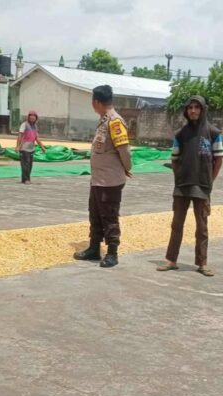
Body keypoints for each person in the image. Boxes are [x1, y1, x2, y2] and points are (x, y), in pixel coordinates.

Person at [157, 96, 223, 276]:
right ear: (186, 111)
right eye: (190, 107)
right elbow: (174, 158)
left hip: (202, 187)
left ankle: (202, 263)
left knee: (202, 227)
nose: (193, 110)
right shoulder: (181, 134)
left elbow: (218, 160)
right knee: (176, 225)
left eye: (197, 107)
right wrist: (179, 177)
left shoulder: (213, 132)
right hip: (182, 186)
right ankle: (171, 260)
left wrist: (210, 181)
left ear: (203, 110)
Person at [73, 85, 133, 268]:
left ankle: (112, 253)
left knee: (109, 216)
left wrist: (126, 168)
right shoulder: (103, 121)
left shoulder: (114, 122)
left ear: (97, 102)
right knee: (95, 214)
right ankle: (94, 248)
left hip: (110, 181)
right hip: (98, 180)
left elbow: (124, 150)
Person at [15, 110, 46, 184]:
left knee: (29, 165)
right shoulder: (24, 125)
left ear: (36, 118)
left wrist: (42, 146)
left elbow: (36, 138)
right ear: (28, 117)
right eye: (31, 116)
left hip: (31, 148)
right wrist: (17, 146)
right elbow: (20, 136)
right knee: (25, 164)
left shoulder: (35, 127)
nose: (32, 118)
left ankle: (24, 179)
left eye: (34, 117)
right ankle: (26, 179)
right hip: (24, 148)